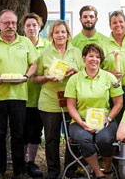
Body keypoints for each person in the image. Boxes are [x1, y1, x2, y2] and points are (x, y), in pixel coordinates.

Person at [0, 9, 38, 179]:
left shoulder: (26, 43)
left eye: (13, 23)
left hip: (19, 96)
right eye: (6, 23)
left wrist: (26, 76)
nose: (10, 26)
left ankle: (19, 171)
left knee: (18, 135)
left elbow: (33, 64)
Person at [33, 20, 84, 179]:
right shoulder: (44, 53)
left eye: (63, 32)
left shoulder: (76, 52)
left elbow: (85, 75)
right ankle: (53, 171)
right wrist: (47, 77)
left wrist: (76, 72)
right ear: (51, 35)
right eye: (56, 32)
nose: (60, 35)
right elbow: (35, 79)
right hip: (49, 101)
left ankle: (70, 171)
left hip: (72, 102)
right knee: (51, 139)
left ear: (68, 34)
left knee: (73, 138)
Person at [65, 44, 123, 179]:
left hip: (105, 121)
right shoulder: (74, 79)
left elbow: (119, 103)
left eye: (98, 57)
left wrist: (108, 118)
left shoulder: (110, 78)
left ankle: (107, 169)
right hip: (80, 121)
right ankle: (98, 173)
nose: (94, 59)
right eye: (91, 56)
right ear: (84, 58)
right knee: (83, 139)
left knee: (105, 139)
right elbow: (71, 106)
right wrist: (81, 122)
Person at [20, 12, 50, 178]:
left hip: (40, 96)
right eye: (28, 25)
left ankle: (31, 162)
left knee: (35, 132)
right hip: (20, 95)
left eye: (34, 25)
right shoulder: (19, 44)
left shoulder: (47, 45)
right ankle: (21, 162)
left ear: (40, 26)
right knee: (21, 132)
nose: (31, 28)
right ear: (23, 28)